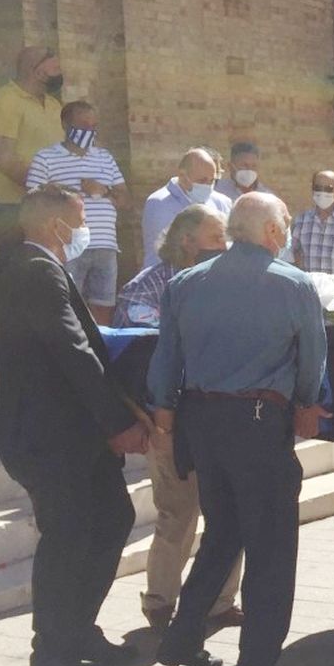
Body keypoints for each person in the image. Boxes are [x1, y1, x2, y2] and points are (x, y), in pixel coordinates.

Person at [149, 192, 329, 666]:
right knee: (271, 547)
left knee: (223, 533)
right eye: (287, 223)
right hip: (256, 423)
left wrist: (164, 417)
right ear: (273, 232)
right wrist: (309, 404)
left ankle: (181, 640)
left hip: (202, 423)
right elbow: (313, 358)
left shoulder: (185, 283)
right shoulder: (293, 283)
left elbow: (166, 359)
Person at [0, 185, 148, 666]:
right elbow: (73, 351)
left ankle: (76, 630)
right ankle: (52, 653)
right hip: (52, 437)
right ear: (50, 223)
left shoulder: (35, 266)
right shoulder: (35, 269)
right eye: (79, 220)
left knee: (110, 518)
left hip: (67, 434)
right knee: (68, 536)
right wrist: (118, 422)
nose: (84, 231)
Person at [114, 205, 245, 632]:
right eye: (215, 238)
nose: (223, 247)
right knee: (178, 515)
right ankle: (160, 603)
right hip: (167, 422)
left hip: (221, 418)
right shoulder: (146, 288)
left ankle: (221, 602)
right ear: (187, 240)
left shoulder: (227, 284)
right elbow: (145, 356)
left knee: (229, 512)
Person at [24, 101, 130, 323]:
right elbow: (33, 202)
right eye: (83, 124)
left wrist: (104, 190)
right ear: (65, 123)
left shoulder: (105, 158)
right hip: (68, 246)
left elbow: (125, 199)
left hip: (105, 245)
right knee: (69, 305)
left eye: (94, 125)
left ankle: (101, 351)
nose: (89, 130)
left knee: (104, 306)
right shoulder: (46, 158)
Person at [0, 47, 65, 236]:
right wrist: (43, 188)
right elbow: (4, 157)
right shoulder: (5, 100)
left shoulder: (53, 105)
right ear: (37, 71)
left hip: (47, 203)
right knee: (17, 262)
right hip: (12, 206)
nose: (60, 73)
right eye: (56, 68)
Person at [140, 147, 232, 269]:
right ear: (183, 176)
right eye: (202, 180)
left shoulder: (221, 202)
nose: (208, 186)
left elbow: (230, 241)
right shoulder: (160, 204)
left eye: (212, 181)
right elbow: (168, 251)